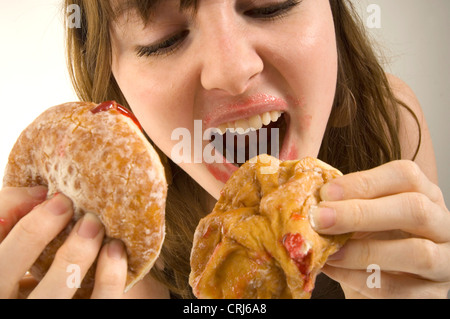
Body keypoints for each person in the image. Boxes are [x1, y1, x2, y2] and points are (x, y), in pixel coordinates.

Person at [0, 0, 448, 299]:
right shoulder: (123, 242)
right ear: (115, 86)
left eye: (270, 4)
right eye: (164, 39)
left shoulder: (389, 122)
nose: (233, 71)